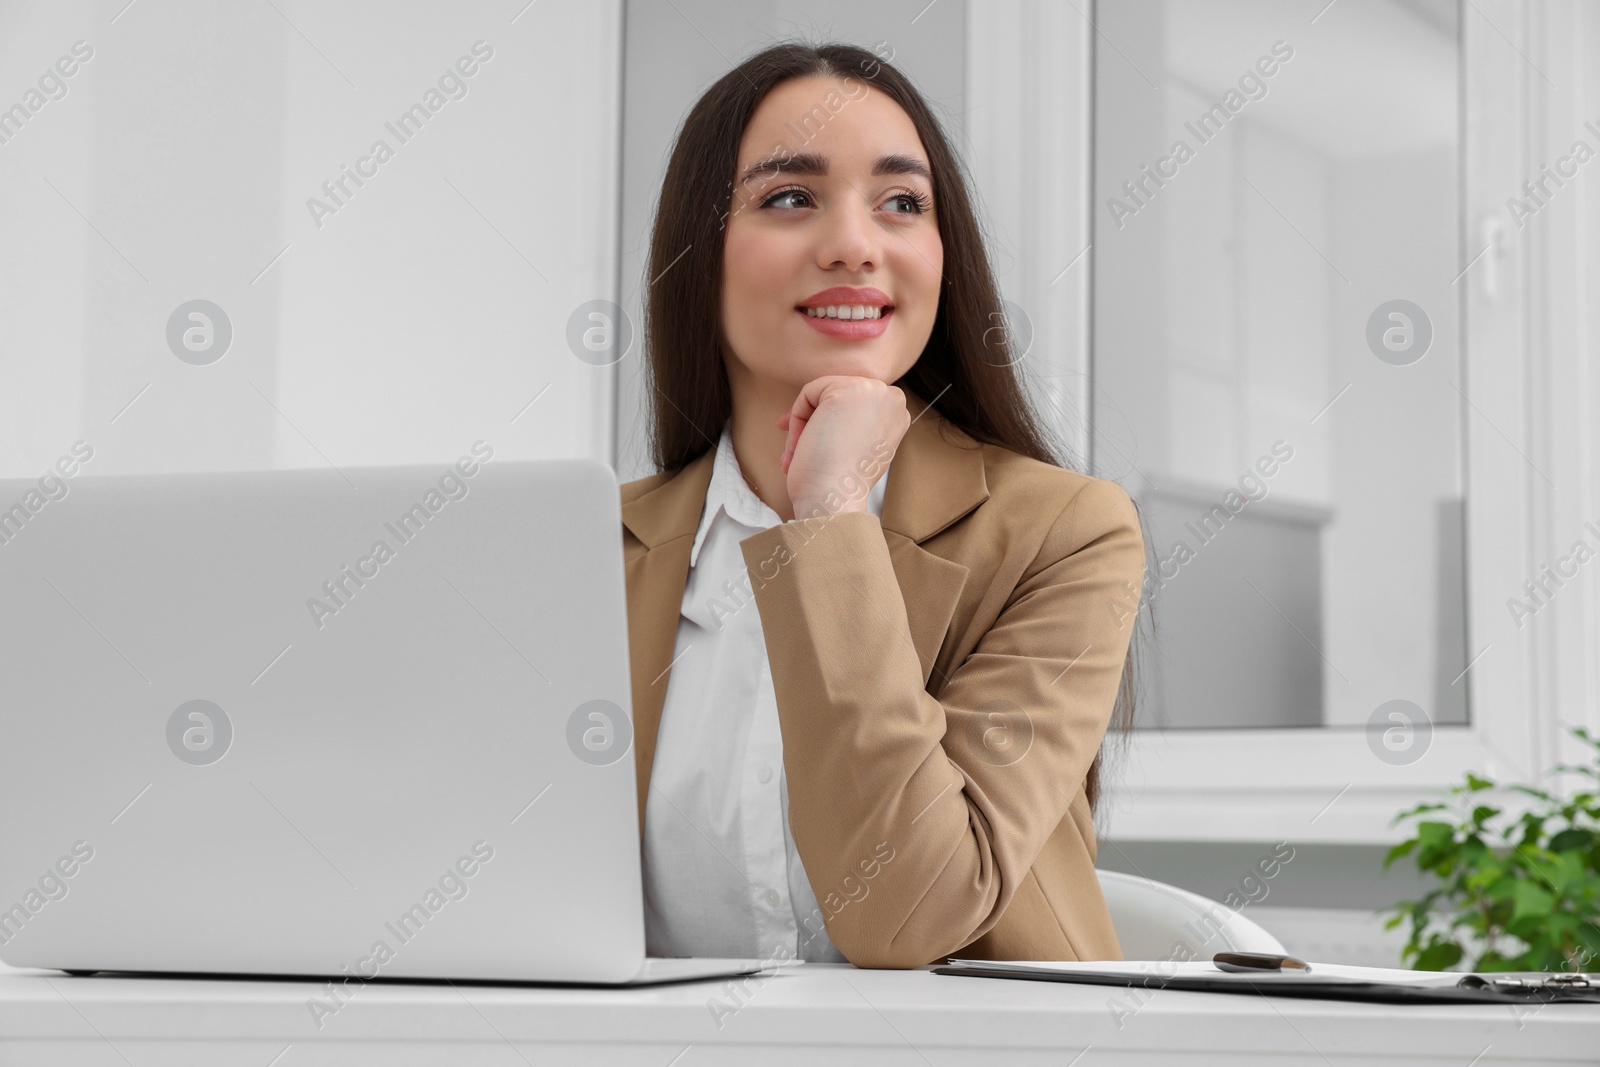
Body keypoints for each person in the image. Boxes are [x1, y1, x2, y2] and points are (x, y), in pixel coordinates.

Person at [619, 41, 1147, 970]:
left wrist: (828, 519)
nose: (857, 244)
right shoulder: (591, 548)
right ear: (698, 255)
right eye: (790, 197)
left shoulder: (1066, 534)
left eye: (903, 202)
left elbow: (908, 914)